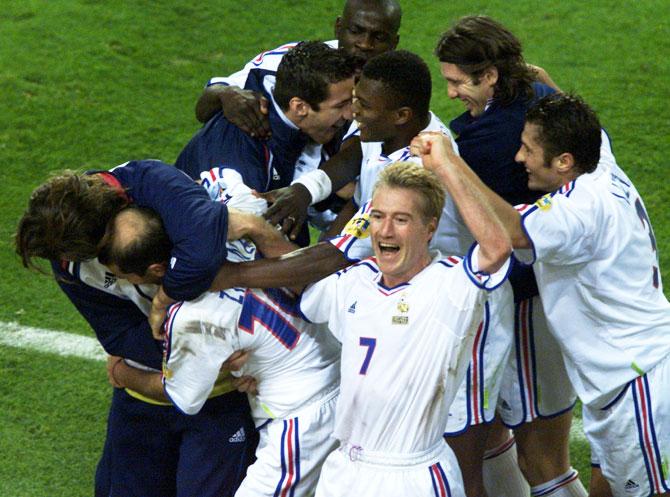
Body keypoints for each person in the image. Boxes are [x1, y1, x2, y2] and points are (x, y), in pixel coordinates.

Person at [411, 93, 670, 497]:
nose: (519, 158)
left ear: (564, 161)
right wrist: (534, 80)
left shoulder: (579, 211)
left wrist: (449, 163)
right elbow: (580, 114)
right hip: (619, 379)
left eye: (529, 149)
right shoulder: (600, 159)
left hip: (635, 381)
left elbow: (509, 231)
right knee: (605, 487)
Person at [14, 166, 264, 497]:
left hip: (222, 394)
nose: (71, 262)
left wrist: (164, 300)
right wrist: (182, 361)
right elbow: (119, 333)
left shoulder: (152, 182)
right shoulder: (69, 256)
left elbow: (203, 254)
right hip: (149, 392)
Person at [434, 16, 585, 497]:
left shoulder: (485, 141)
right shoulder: (543, 99)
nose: (453, 94)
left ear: (491, 75)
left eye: (459, 82)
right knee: (497, 437)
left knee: (543, 460)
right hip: (553, 289)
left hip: (527, 301)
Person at [98, 202, 341, 497]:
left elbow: (181, 397)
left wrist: (122, 373)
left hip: (301, 415)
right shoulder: (223, 243)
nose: (124, 283)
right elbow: (297, 269)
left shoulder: (189, 317)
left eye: (125, 276)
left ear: (156, 269)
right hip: (336, 374)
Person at [298, 161, 511, 496]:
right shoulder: (356, 280)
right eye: (379, 216)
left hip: (411, 475)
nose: (385, 231)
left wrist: (446, 164)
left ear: (430, 228)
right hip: (344, 472)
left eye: (401, 219)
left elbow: (497, 247)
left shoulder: (450, 286)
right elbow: (300, 297)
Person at [175, 41, 359, 197]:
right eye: (341, 105)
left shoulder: (289, 123)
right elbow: (237, 228)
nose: (351, 113)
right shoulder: (245, 149)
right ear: (300, 107)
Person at [194, 0, 401, 133]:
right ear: (338, 28)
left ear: (394, 43)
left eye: (379, 37)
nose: (365, 44)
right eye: (356, 31)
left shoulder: (398, 92)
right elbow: (206, 105)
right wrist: (226, 94)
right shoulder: (293, 61)